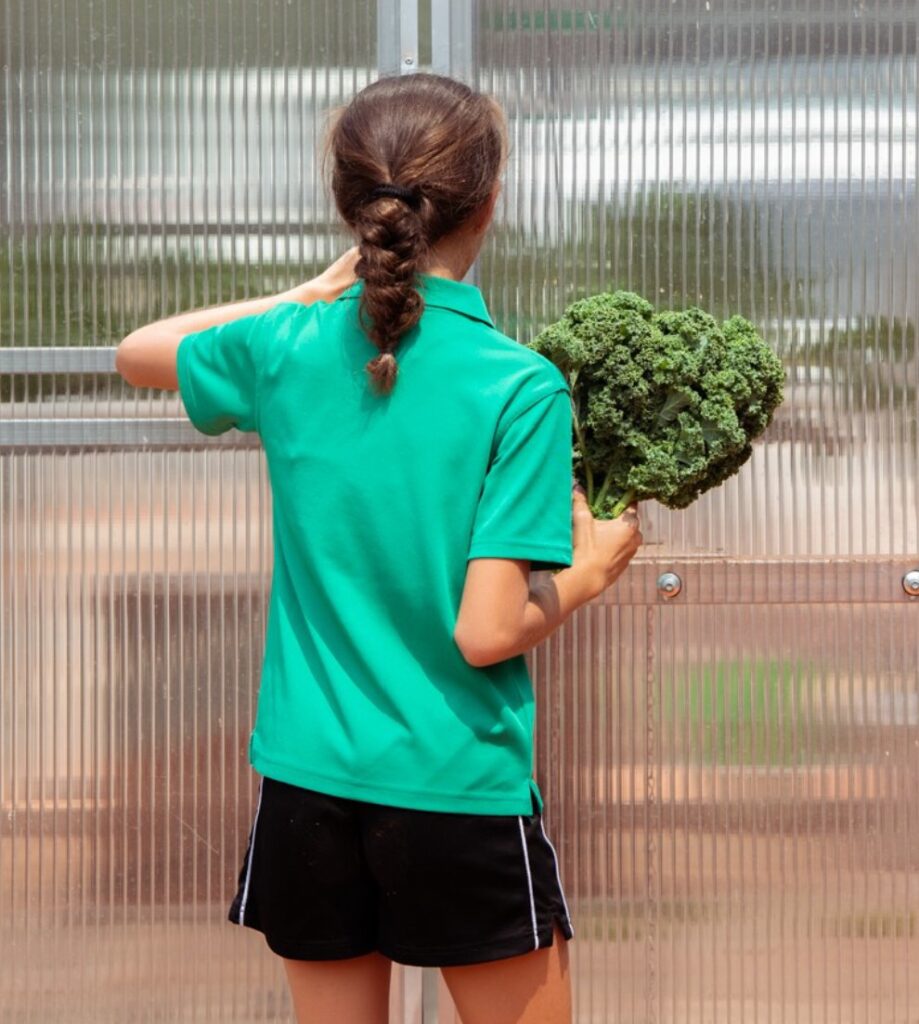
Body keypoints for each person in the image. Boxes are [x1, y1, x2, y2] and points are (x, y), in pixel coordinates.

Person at [116, 72, 642, 1024]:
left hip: (306, 786)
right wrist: (589, 576)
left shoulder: (287, 347)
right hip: (456, 789)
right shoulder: (519, 387)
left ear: (352, 205)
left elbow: (138, 349)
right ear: (489, 204)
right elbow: (485, 632)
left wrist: (310, 291)